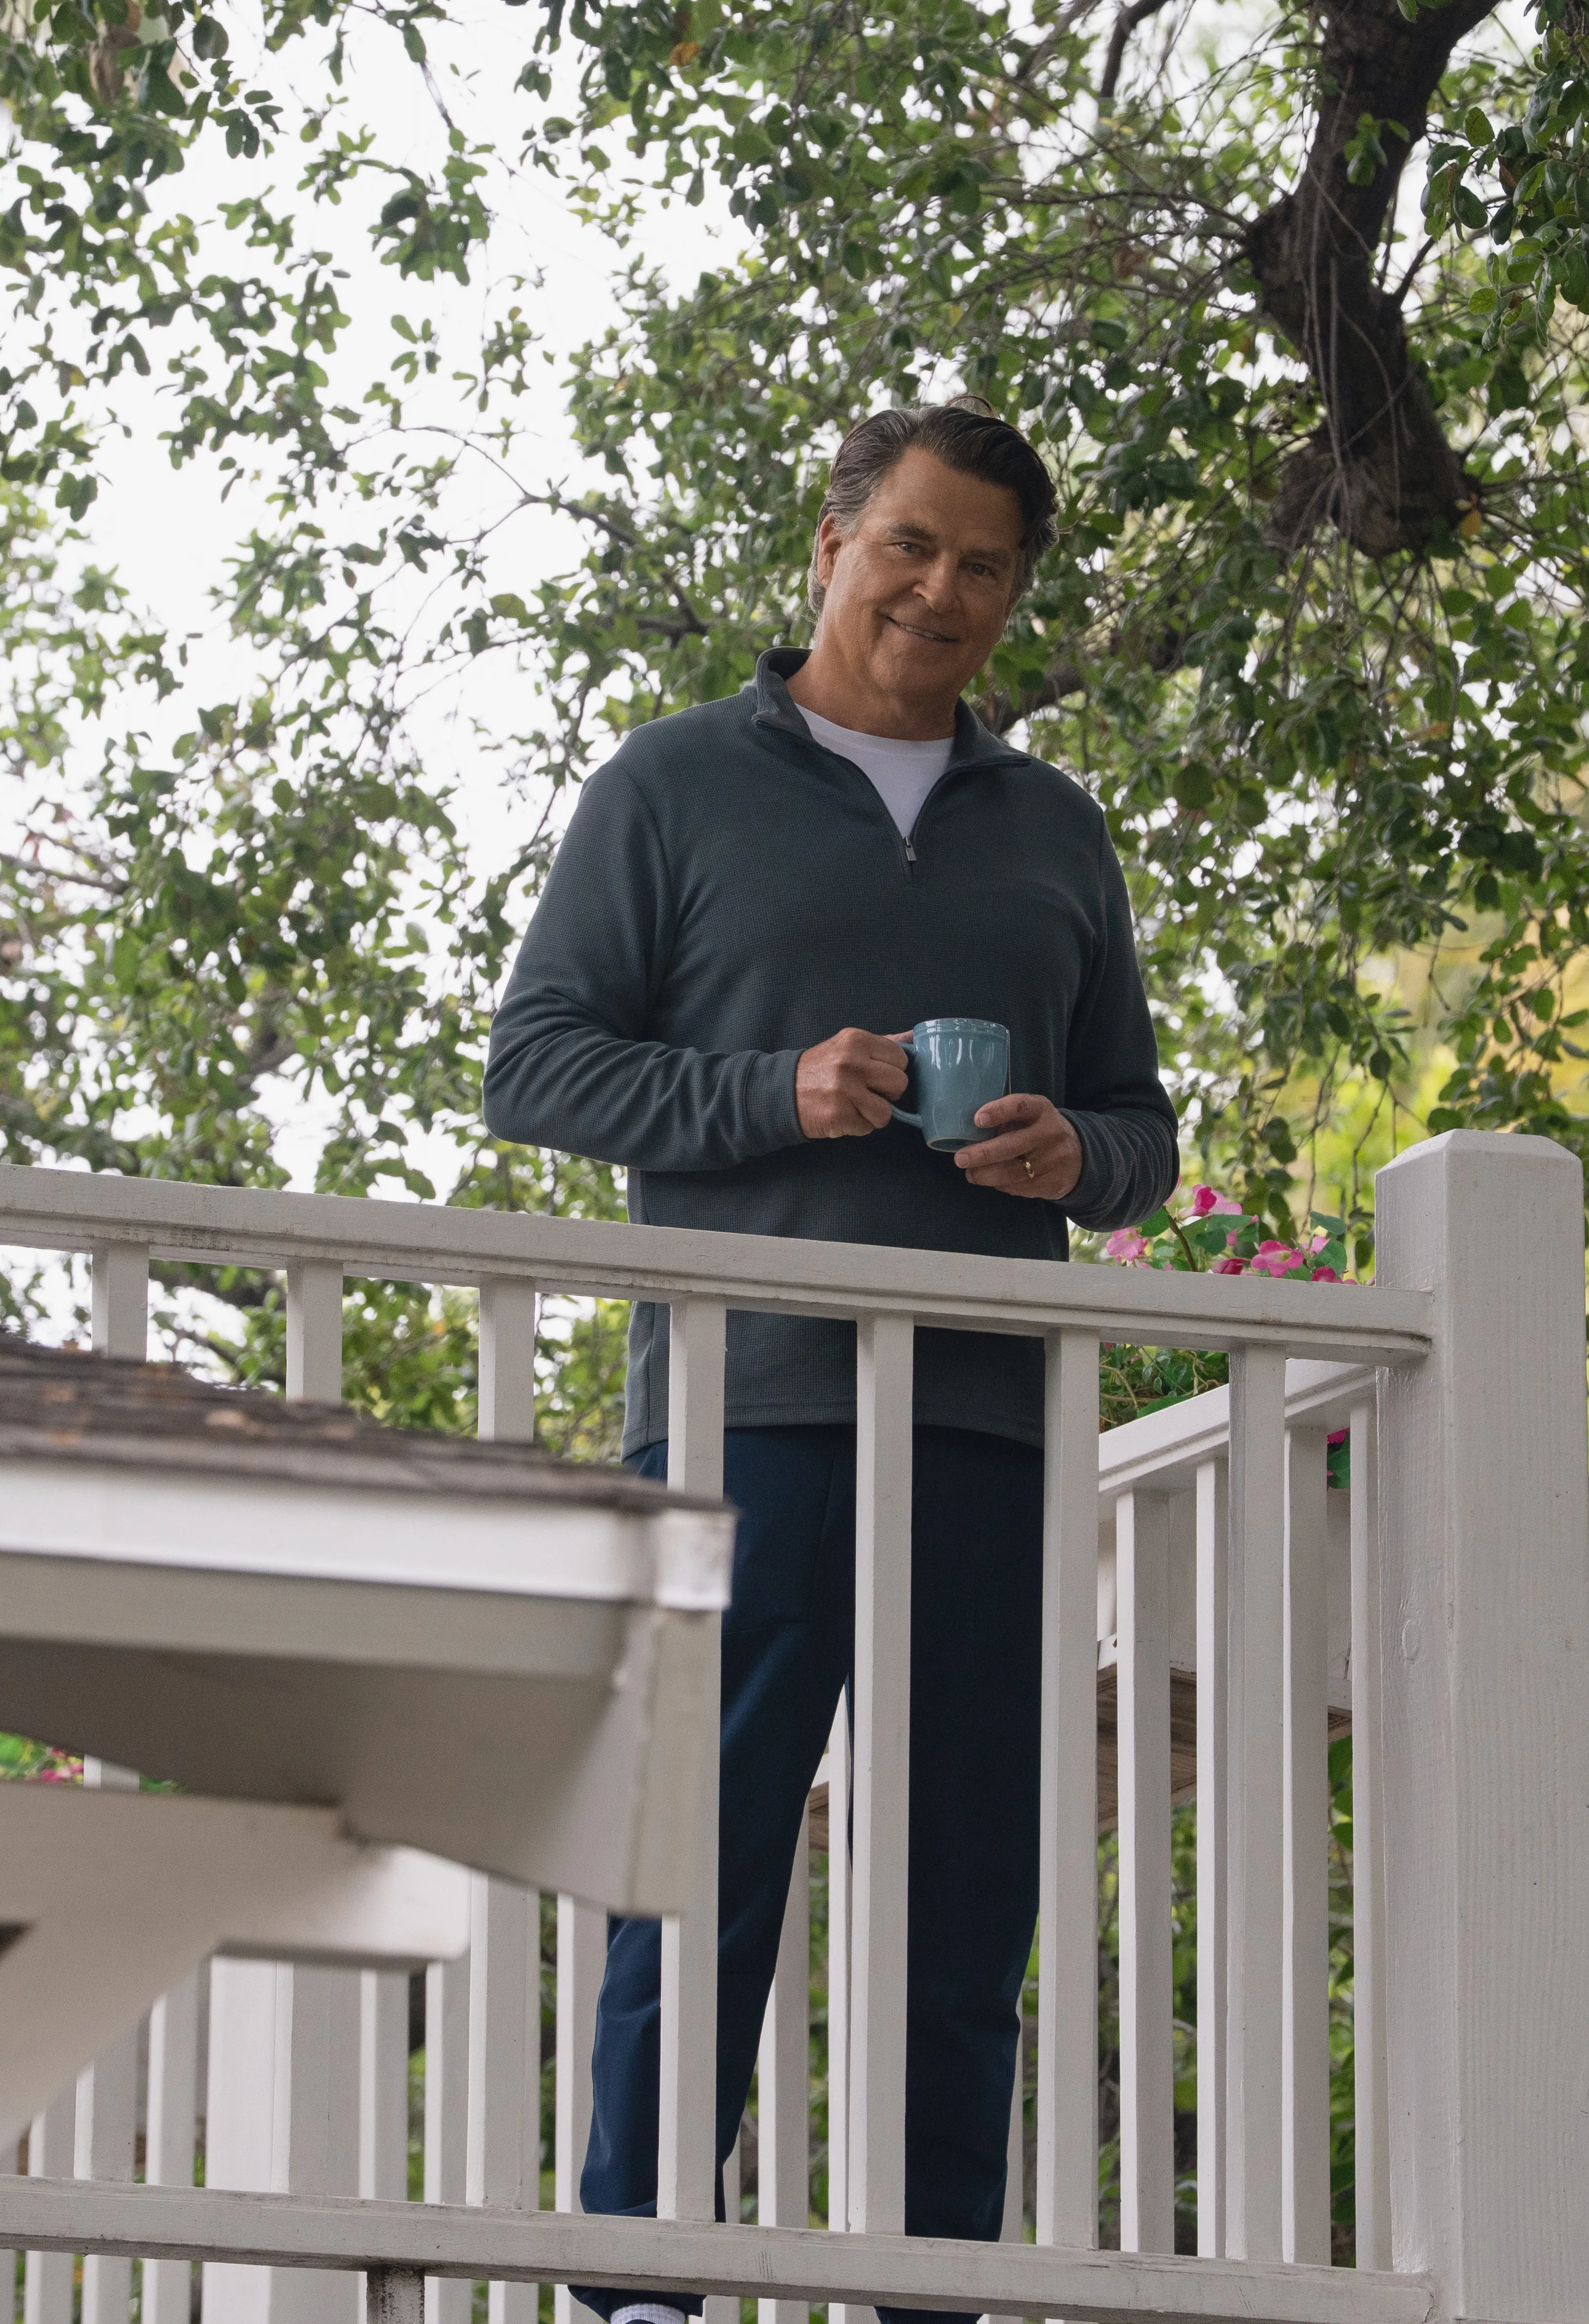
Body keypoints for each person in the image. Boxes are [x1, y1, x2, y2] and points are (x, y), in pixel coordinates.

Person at [481, 400, 1178, 2324]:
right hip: (745, 1409)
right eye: (914, 547)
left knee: (968, 1894)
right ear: (833, 542)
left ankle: (929, 2292)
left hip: (988, 1417)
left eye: (988, 567)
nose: (945, 592)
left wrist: (1076, 1155)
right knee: (694, 1872)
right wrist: (769, 1091)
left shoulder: (1053, 828)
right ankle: (638, 2293)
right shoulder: (677, 784)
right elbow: (534, 1064)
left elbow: (1143, 1129)